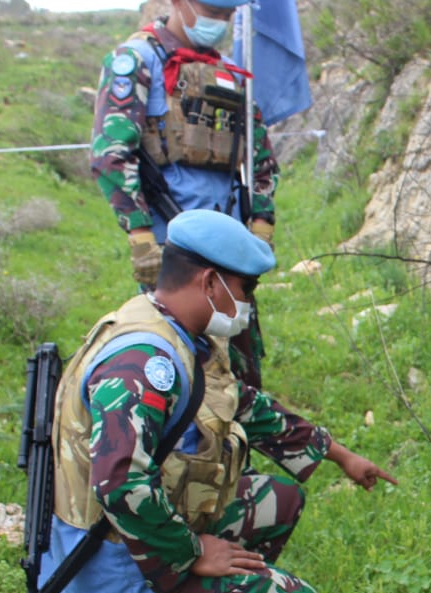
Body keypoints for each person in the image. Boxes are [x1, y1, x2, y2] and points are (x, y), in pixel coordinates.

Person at [39, 209, 397, 593]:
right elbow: (120, 484)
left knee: (280, 499)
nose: (249, 302)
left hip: (132, 537)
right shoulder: (145, 362)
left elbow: (241, 403)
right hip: (110, 558)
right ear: (209, 281)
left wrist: (338, 455)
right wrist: (191, 553)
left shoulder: (178, 329)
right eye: (246, 287)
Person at [90, 0, 279, 387]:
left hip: (230, 248)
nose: (218, 22)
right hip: (174, 251)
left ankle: (238, 441)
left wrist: (261, 224)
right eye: (211, 11)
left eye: (227, 16)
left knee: (240, 371)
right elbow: (111, 156)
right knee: (181, 366)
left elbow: (261, 159)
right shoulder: (137, 61)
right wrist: (140, 236)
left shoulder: (230, 73)